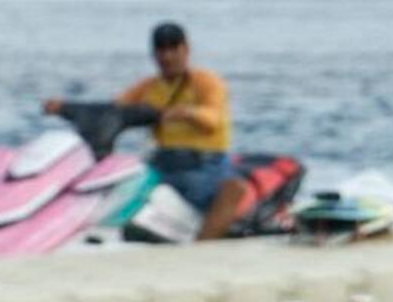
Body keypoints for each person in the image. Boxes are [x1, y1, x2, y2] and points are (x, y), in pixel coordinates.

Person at [45, 23, 256, 240]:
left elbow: (213, 119)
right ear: (154, 53)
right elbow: (114, 110)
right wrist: (67, 108)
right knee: (117, 183)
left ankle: (202, 248)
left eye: (173, 49)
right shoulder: (149, 87)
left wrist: (186, 113)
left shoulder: (206, 82)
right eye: (161, 50)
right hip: (162, 163)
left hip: (204, 164)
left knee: (232, 189)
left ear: (186, 49)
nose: (167, 56)